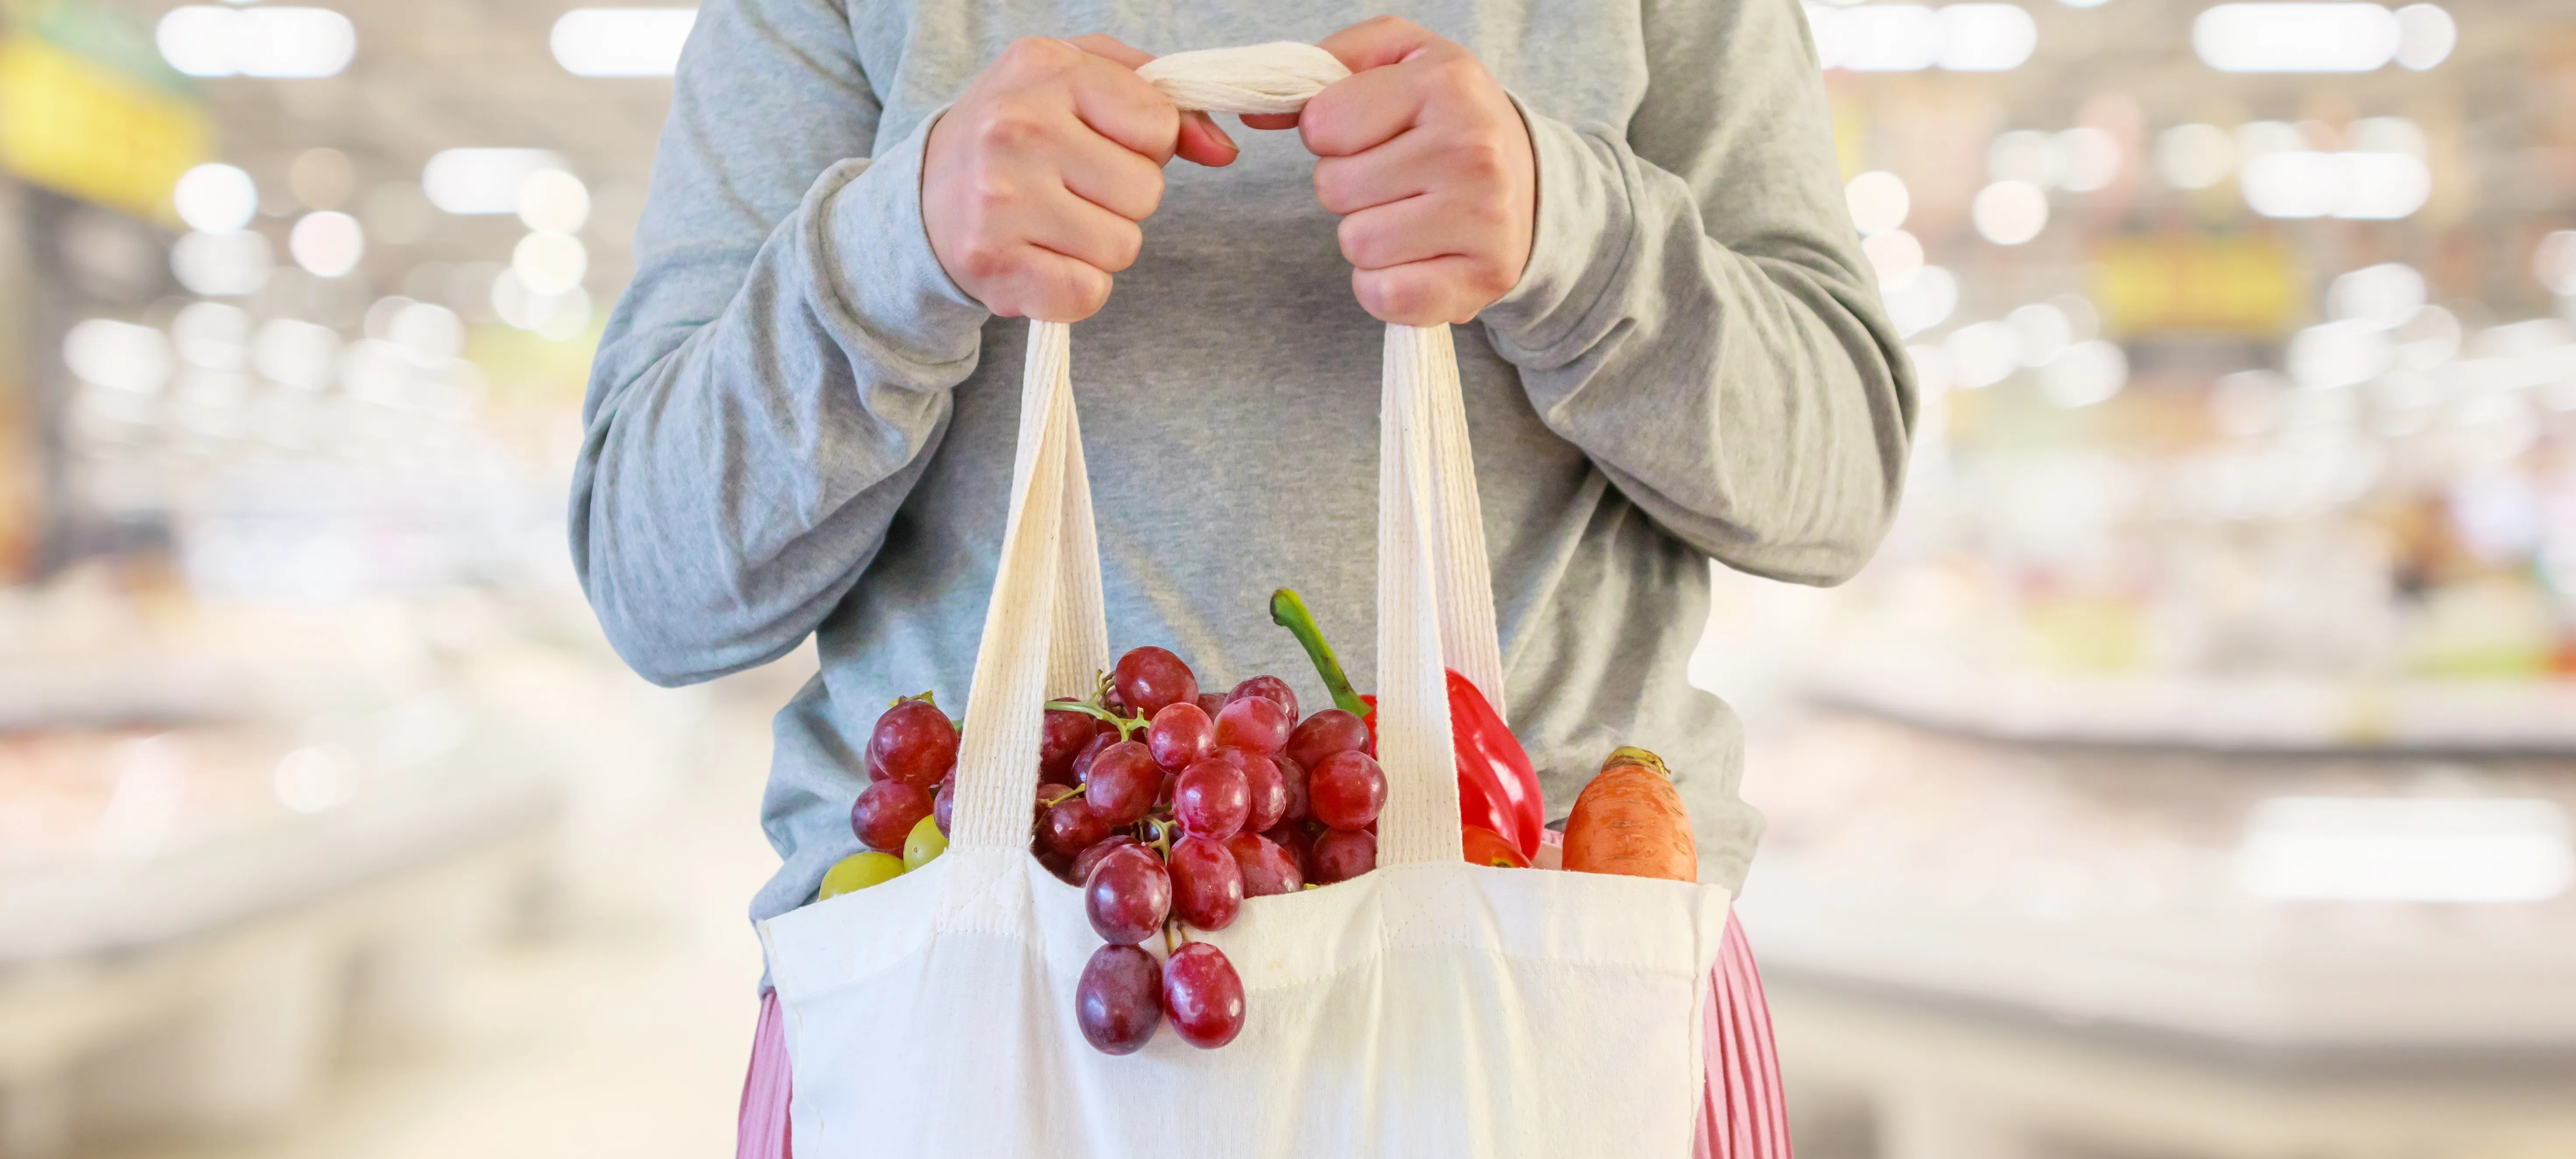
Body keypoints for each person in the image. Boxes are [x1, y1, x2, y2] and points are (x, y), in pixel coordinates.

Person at [571, 4, 1909, 1154]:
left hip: (1557, 979)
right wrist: (894, 253)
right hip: (972, 995)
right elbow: (659, 575)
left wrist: (1583, 240)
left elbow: (1831, 485)